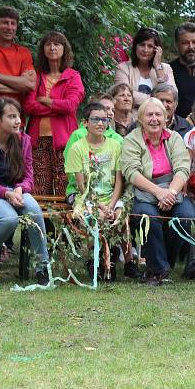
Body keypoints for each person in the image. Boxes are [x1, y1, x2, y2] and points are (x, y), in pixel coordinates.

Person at [0, 98, 49, 284]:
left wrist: (20, 189)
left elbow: (29, 175)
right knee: (8, 218)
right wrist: (7, 194)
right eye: (11, 117)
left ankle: (42, 267)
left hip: (15, 190)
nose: (18, 121)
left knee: (34, 210)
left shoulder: (24, 140)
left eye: (18, 116)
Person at [122, 97, 195, 286]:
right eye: (149, 114)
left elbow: (182, 168)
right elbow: (131, 172)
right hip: (145, 190)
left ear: (165, 118)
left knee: (186, 217)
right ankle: (158, 269)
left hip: (173, 189)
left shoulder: (174, 138)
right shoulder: (132, 139)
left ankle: (162, 265)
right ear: (140, 119)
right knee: (147, 216)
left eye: (158, 114)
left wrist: (170, 193)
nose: (154, 119)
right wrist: (158, 192)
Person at [64, 103, 125, 281]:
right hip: (87, 197)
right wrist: (100, 206)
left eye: (104, 119)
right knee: (92, 217)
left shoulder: (115, 146)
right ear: (85, 123)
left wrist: (111, 205)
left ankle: (109, 258)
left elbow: (119, 180)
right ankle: (94, 260)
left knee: (120, 218)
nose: (100, 123)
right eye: (95, 119)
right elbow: (81, 186)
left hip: (111, 197)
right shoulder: (78, 147)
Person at [22, 31, 85, 196]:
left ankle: (66, 222)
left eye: (57, 44)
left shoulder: (73, 76)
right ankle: (42, 222)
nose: (52, 47)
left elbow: (71, 106)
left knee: (65, 184)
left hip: (65, 139)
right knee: (39, 186)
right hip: (38, 139)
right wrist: (58, 107)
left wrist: (47, 100)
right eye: (48, 44)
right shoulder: (36, 75)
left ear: (65, 49)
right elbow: (28, 106)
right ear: (43, 49)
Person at [114, 28, 175, 109]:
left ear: (157, 50)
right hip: (132, 119)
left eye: (150, 46)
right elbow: (124, 96)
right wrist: (158, 100)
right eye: (142, 45)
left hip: (159, 118)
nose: (145, 50)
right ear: (135, 46)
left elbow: (172, 95)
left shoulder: (166, 68)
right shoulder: (123, 68)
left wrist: (157, 66)